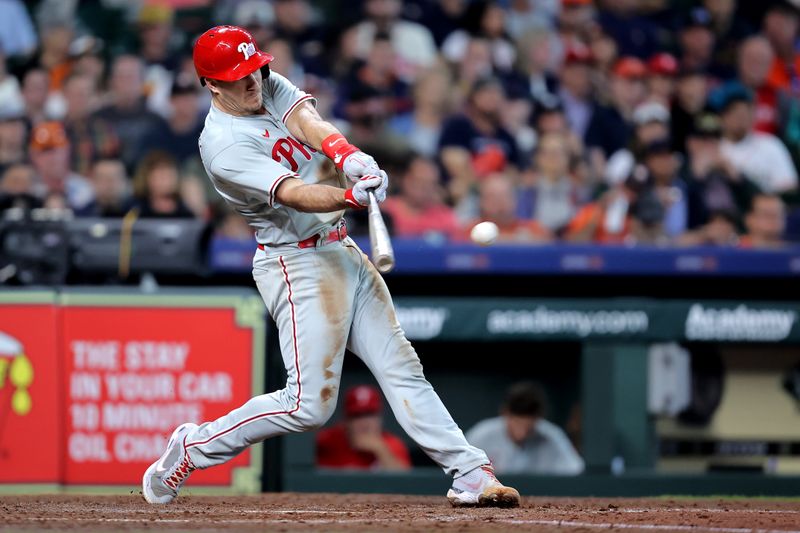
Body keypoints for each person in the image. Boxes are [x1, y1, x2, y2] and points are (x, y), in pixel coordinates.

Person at [142, 25, 519, 509]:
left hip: (340, 248)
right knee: (307, 406)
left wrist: (348, 154)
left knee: (401, 366)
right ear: (212, 84)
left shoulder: (264, 80)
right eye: (239, 77)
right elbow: (293, 192)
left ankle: (469, 471)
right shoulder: (222, 146)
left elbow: (307, 121)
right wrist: (348, 194)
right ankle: (194, 446)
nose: (254, 80)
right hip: (295, 262)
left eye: (255, 68)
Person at [466, 382, 584, 475]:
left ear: (538, 418)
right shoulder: (482, 434)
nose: (522, 432)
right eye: (517, 422)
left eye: (528, 425)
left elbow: (576, 471)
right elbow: (460, 470)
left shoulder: (552, 436)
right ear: (505, 413)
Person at [714, 82, 798, 194]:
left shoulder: (770, 145)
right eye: (735, 113)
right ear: (722, 117)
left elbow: (789, 189)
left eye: (746, 112)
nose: (741, 119)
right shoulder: (714, 150)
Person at [316, 384, 412, 471]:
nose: (365, 423)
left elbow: (405, 483)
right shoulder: (328, 440)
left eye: (370, 414)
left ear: (380, 418)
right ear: (346, 421)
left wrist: (381, 451)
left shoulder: (392, 444)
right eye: (357, 415)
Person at [381, 155, 458, 239]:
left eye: (429, 183)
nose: (423, 188)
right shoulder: (384, 210)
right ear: (404, 179)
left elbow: (454, 247)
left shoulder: (445, 216)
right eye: (418, 181)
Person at [28, 121, 94, 212]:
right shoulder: (28, 190)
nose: (52, 157)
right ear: (33, 156)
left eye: (57, 149)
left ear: (67, 151)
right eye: (45, 151)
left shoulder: (84, 191)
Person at [129, 151, 195, 219]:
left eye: (169, 171)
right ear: (146, 177)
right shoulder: (136, 211)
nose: (166, 176)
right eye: (161, 172)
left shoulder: (185, 212)